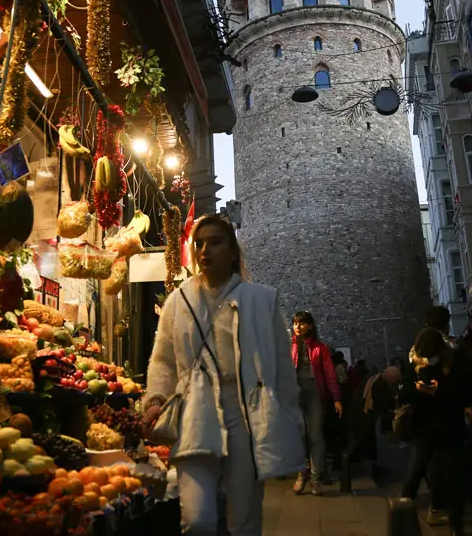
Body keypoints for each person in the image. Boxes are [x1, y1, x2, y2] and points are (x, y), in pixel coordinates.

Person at [143, 215, 304, 536]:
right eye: (199, 243)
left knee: (243, 519)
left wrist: (287, 422)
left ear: (233, 251)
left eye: (216, 242)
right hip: (193, 413)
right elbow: (162, 360)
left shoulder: (261, 300)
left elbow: (283, 371)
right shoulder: (178, 301)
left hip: (243, 414)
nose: (205, 250)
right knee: (197, 520)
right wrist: (156, 398)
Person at [400, 328, 472, 536]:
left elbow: (463, 394)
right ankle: (400, 516)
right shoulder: (415, 365)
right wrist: (417, 389)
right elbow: (405, 393)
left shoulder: (455, 364)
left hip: (449, 428)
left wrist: (438, 390)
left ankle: (455, 522)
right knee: (415, 474)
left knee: (453, 478)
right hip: (424, 428)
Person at [291, 311, 343, 496]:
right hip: (295, 394)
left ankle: (315, 478)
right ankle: (301, 473)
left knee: (316, 436)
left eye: (302, 323)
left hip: (314, 393)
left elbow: (330, 375)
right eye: (295, 323)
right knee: (299, 436)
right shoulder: (289, 346)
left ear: (310, 326)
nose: (297, 326)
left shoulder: (320, 348)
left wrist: (336, 398)